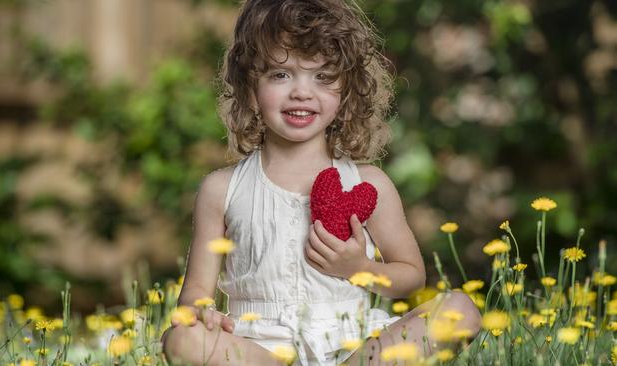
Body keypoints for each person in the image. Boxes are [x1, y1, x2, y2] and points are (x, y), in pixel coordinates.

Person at [162, 0, 481, 365]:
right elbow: (195, 295)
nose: (302, 92)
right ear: (250, 86)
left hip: (354, 347)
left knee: (461, 308)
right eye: (281, 74)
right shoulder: (221, 189)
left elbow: (410, 277)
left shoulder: (369, 183)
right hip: (261, 351)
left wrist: (358, 269)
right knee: (182, 341)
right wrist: (202, 314)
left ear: (346, 92)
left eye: (323, 76)